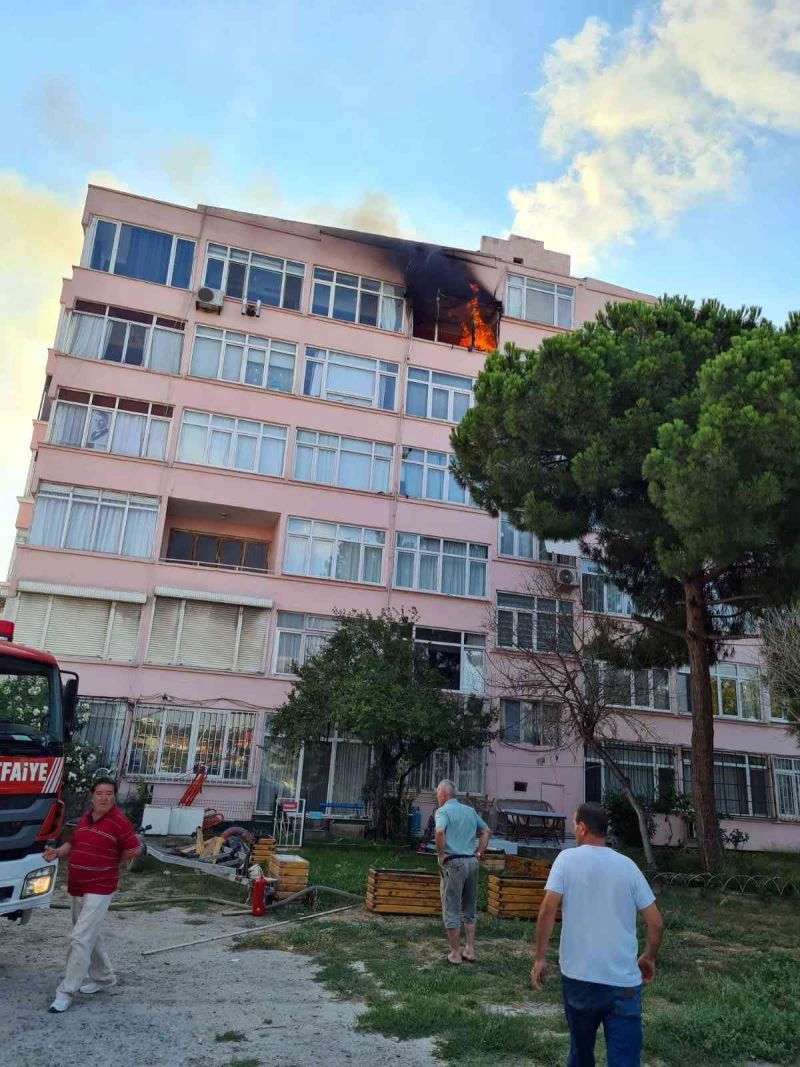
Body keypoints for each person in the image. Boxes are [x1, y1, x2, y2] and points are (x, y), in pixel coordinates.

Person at [531, 802, 663, 1067]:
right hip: (623, 983)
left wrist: (540, 958)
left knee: (580, 1053)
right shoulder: (628, 866)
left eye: (574, 825)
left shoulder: (566, 860)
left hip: (579, 977)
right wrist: (648, 957)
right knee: (625, 1060)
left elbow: (547, 909)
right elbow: (656, 923)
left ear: (582, 828)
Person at [43, 777, 142, 1013]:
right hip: (78, 885)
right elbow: (73, 843)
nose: (104, 797)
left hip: (101, 887)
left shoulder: (119, 821)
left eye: (109, 793)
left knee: (79, 938)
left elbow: (135, 848)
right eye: (100, 793)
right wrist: (57, 853)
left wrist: (113, 861)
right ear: (93, 796)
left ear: (114, 796)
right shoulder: (86, 818)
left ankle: (66, 992)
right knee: (90, 935)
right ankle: (104, 978)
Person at [434, 779, 491, 965]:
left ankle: (455, 953)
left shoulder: (443, 811)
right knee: (469, 907)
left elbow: (439, 832)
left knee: (451, 906)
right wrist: (479, 853)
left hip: (454, 862)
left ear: (444, 794)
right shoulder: (469, 811)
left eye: (437, 792)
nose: (437, 796)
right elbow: (486, 831)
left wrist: (441, 855)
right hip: (471, 862)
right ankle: (470, 949)